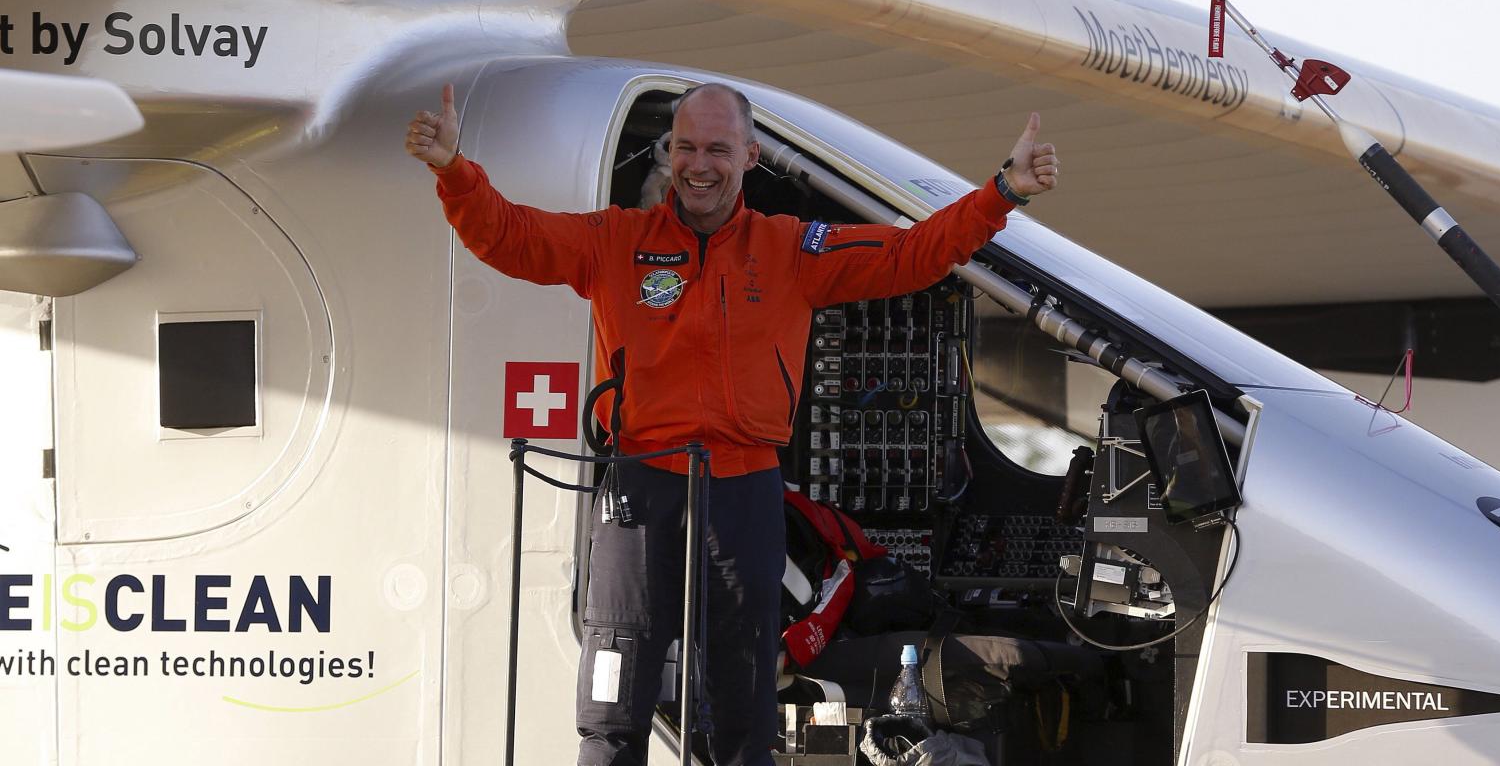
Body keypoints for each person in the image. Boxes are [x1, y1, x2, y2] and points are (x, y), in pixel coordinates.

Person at [405, 81, 1059, 765]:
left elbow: (913, 254)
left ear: (750, 156)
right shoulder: (616, 241)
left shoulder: (791, 249)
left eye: (718, 148)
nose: (700, 164)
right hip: (640, 488)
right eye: (686, 146)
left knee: (743, 708)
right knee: (612, 702)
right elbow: (511, 237)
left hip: (743, 492)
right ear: (670, 152)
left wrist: (1003, 191)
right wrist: (454, 171)